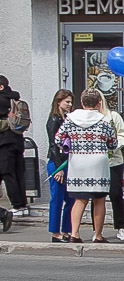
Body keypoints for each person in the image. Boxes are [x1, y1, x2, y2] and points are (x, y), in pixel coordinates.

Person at [54, 88, 117, 243]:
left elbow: (58, 139)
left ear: (82, 102)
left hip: (78, 161)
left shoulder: (70, 119)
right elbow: (113, 142)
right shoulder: (103, 121)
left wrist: (69, 144)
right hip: (98, 162)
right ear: (98, 103)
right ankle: (98, 235)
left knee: (80, 199)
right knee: (99, 199)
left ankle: (75, 234)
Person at [95, 97, 124, 241]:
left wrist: (115, 145)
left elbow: (123, 134)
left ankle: (120, 227)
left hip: (114, 161)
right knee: (97, 197)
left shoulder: (113, 116)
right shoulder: (90, 118)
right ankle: (97, 230)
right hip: (96, 162)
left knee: (116, 194)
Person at [45, 90, 75, 242]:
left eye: (70, 102)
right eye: (67, 102)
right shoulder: (54, 120)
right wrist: (58, 169)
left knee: (70, 199)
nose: (69, 105)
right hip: (57, 163)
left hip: (68, 162)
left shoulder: (67, 119)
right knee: (56, 198)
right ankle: (55, 232)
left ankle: (67, 230)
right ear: (58, 102)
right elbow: (53, 145)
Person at [0, 75, 29, 218]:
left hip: (5, 142)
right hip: (17, 140)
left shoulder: (1, 99)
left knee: (8, 174)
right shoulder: (14, 98)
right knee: (18, 173)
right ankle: (23, 205)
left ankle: (17, 205)